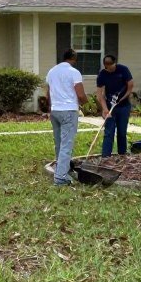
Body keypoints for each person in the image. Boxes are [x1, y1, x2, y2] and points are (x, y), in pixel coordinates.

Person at [45, 49, 88, 186]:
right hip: (69, 111)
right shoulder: (74, 72)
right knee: (66, 144)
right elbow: (81, 95)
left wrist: (50, 109)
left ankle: (62, 169)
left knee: (59, 143)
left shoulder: (51, 71)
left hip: (55, 111)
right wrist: (87, 104)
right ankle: (60, 178)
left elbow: (48, 94)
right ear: (74, 58)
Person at [95, 54, 134, 156]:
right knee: (109, 132)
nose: (110, 68)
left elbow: (130, 86)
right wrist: (105, 109)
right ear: (105, 65)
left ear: (115, 62)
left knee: (122, 132)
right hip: (110, 106)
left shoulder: (123, 70)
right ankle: (106, 157)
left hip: (124, 106)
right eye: (108, 66)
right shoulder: (102, 75)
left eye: (112, 65)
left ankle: (122, 155)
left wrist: (123, 98)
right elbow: (99, 95)